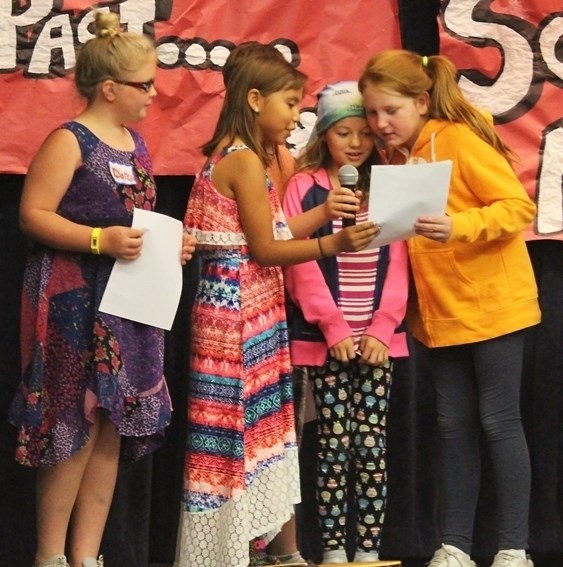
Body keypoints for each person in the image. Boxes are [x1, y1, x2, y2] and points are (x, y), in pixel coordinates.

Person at [175, 53, 379, 567]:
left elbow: (273, 235)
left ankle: (274, 551)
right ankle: (226, 553)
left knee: (259, 430)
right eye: (290, 103)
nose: (295, 116)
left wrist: (324, 213)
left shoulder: (243, 154)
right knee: (238, 430)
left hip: (250, 308)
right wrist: (335, 244)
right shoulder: (241, 159)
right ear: (255, 100)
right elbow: (264, 250)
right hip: (238, 315)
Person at [8, 11, 196, 567]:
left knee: (112, 426)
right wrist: (98, 240)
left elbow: (137, 221)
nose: (153, 94)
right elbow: (32, 215)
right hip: (72, 299)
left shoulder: (136, 144)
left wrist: (166, 245)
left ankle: (87, 556)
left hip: (127, 302)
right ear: (110, 88)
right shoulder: (69, 140)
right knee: (73, 421)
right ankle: (50, 556)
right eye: (145, 85)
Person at [358, 49, 541, 567]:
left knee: (499, 421)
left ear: (420, 100)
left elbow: (516, 206)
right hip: (441, 315)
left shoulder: (457, 139)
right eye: (372, 113)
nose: (380, 123)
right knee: (452, 426)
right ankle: (454, 545)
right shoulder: (393, 159)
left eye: (390, 110)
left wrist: (460, 226)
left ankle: (513, 547)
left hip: (495, 305)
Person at [282, 81, 409, 564]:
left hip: (378, 343)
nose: (355, 143)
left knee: (371, 449)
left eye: (363, 134)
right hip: (326, 341)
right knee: (333, 447)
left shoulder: (388, 185)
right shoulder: (306, 187)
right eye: (343, 133)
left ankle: (368, 552)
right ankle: (335, 550)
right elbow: (300, 266)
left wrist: (381, 328)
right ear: (324, 135)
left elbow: (400, 263)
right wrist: (333, 327)